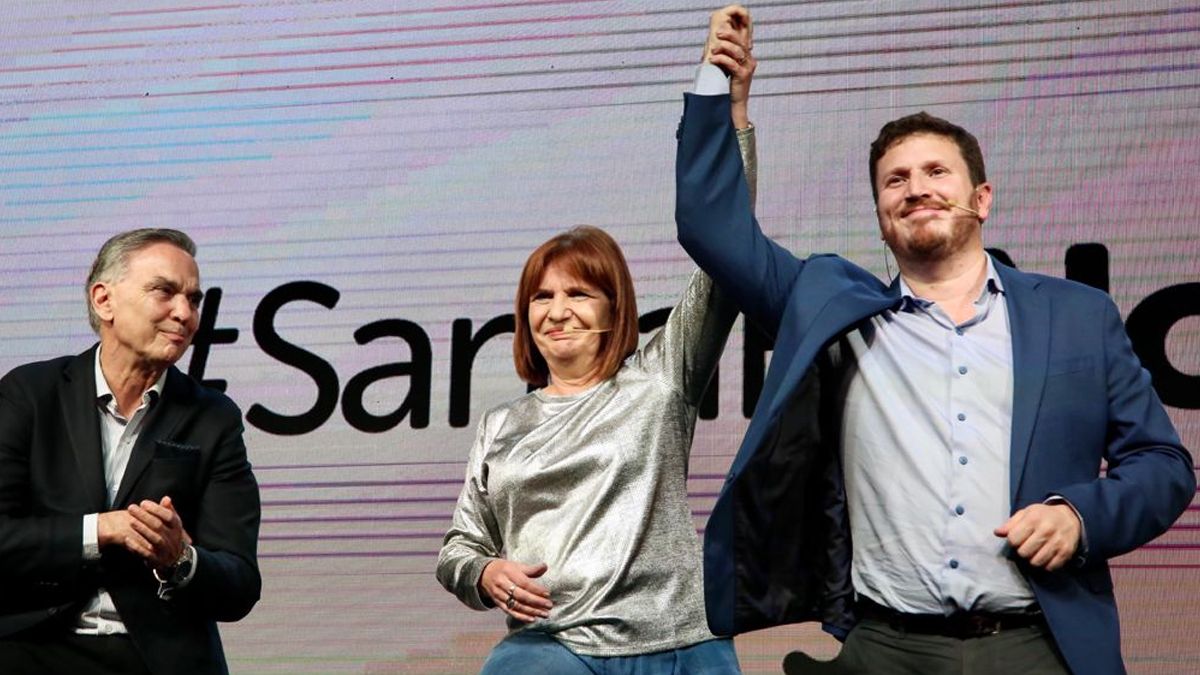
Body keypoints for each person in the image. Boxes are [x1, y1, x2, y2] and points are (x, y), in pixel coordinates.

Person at [675, 6, 1195, 675]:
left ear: (982, 197)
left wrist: (1079, 515)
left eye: (935, 172)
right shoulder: (835, 308)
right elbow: (709, 224)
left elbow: (1163, 464)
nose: (916, 188)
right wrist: (726, 95)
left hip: (1040, 644)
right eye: (896, 180)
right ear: (883, 217)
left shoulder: (1078, 315)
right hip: (886, 647)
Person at [437, 114, 756, 673]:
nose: (557, 312)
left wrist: (727, 121)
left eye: (579, 293)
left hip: (677, 646)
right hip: (548, 647)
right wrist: (485, 574)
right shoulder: (499, 425)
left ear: (615, 308)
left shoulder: (659, 381)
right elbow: (460, 547)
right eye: (541, 297)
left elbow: (726, 246)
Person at [0, 229, 262, 675]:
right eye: (165, 291)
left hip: (157, 658)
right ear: (104, 300)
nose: (185, 314)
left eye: (194, 300)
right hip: (31, 647)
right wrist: (100, 530)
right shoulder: (29, 394)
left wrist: (181, 559)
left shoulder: (213, 418)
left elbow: (239, 583)